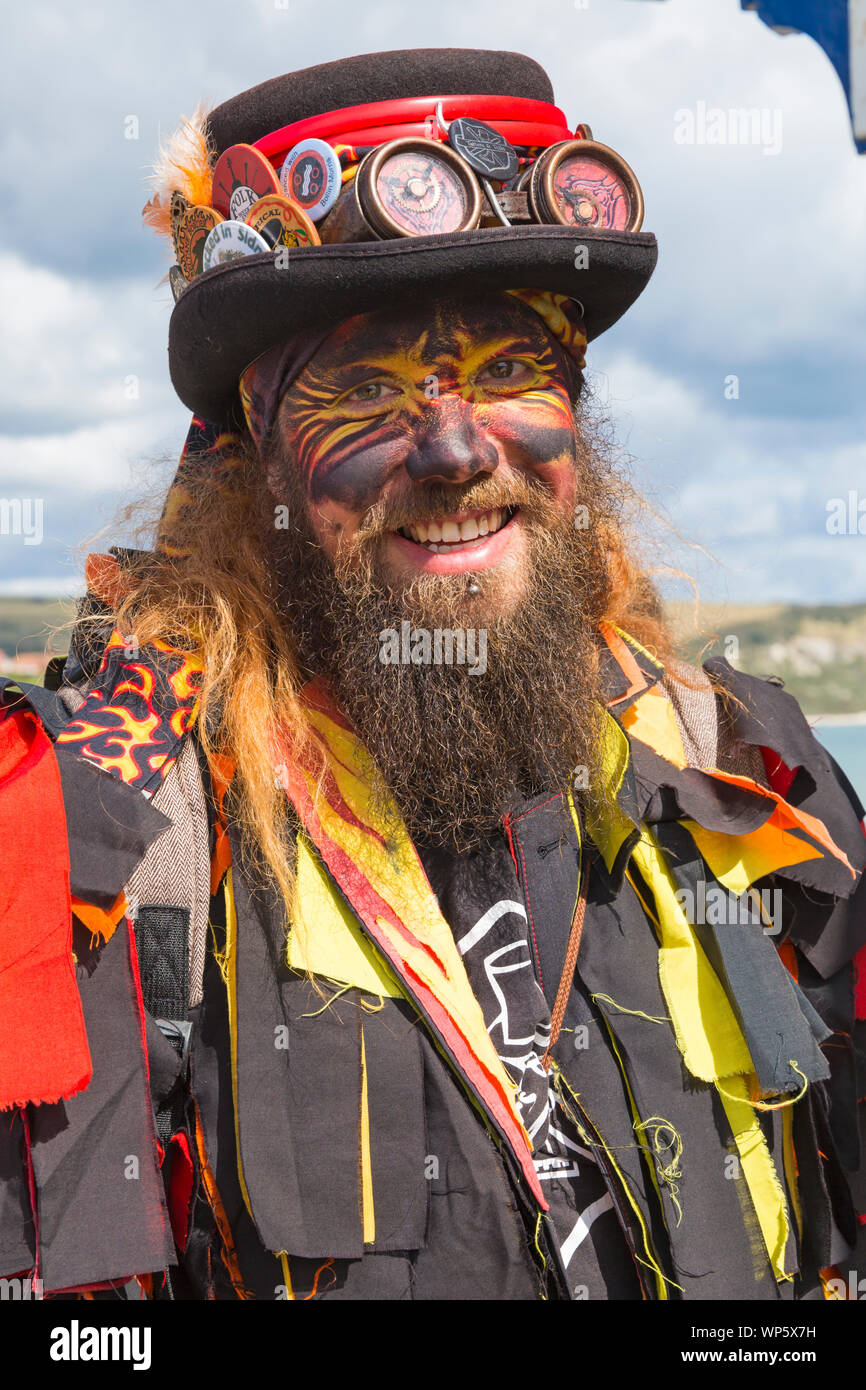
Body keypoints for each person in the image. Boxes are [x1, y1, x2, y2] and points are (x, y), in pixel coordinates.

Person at [1, 47, 864, 1302]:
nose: (456, 450)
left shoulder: (743, 772)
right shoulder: (101, 835)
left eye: (513, 372)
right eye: (364, 391)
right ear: (257, 460)